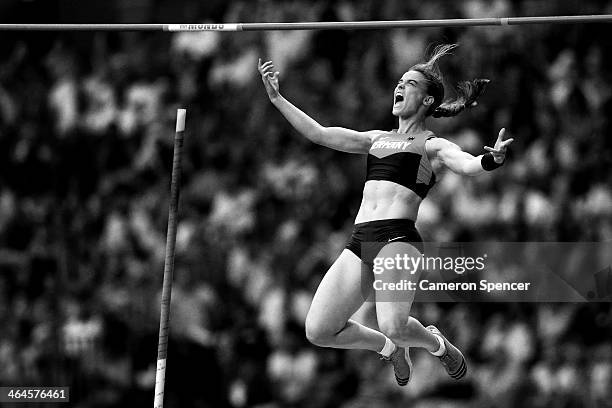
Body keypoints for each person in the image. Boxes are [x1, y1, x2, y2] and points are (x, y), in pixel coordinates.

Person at [257, 44, 513, 385]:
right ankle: (390, 349)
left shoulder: (431, 145)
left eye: (409, 84)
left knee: (393, 321)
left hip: (398, 239)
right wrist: (278, 100)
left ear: (426, 101)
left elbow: (465, 163)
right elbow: (319, 133)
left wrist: (490, 160)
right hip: (360, 239)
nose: (400, 86)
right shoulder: (375, 139)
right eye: (400, 81)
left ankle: (437, 344)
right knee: (318, 329)